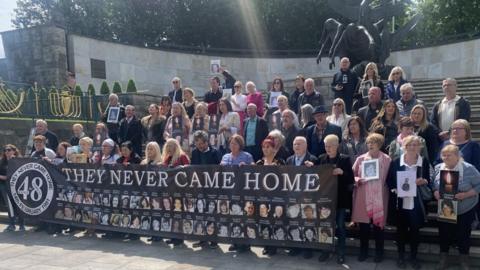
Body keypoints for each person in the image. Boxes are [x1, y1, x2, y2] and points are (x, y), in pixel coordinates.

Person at [386, 135, 431, 269]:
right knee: (400, 231)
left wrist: (423, 181)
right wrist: (395, 189)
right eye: (409, 145)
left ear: (419, 147)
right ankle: (401, 257)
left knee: (415, 232)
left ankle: (413, 257)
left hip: (417, 203)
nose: (412, 147)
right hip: (400, 202)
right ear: (404, 147)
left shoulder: (424, 162)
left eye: (415, 145)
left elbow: (428, 179)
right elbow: (389, 181)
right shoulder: (396, 161)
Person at [434, 145, 480, 270]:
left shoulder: (469, 169)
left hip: (465, 208)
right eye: (444, 155)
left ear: (458, 156)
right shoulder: (438, 168)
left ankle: (464, 260)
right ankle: (443, 259)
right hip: (446, 208)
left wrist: (466, 194)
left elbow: (479, 185)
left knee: (463, 235)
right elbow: (434, 184)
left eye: (450, 154)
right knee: (444, 234)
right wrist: (435, 192)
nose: (446, 157)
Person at [352, 133, 391, 263]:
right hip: (363, 197)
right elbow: (353, 176)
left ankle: (379, 253)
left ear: (379, 144)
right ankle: (364, 252)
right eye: (368, 142)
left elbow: (390, 178)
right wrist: (358, 180)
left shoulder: (387, 159)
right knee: (364, 228)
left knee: (378, 227)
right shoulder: (361, 159)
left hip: (380, 197)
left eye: (373, 142)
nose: (370, 145)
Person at [317, 135, 354, 264]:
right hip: (325, 200)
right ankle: (325, 251)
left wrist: (342, 172)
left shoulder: (345, 159)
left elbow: (351, 180)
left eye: (330, 146)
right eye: (326, 146)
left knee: (340, 227)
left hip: (340, 200)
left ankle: (341, 252)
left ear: (337, 145)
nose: (328, 148)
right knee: (325, 226)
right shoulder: (321, 159)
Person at [256, 138, 285, 256]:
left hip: (276, 197)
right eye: (264, 147)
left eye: (268, 147)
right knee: (264, 221)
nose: (265, 149)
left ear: (274, 149)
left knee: (275, 221)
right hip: (262, 197)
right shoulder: (259, 163)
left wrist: (277, 170)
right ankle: (266, 245)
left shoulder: (280, 162)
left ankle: (274, 246)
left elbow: (286, 177)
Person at [0, 144, 25, 231]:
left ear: (14, 151)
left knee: (19, 205)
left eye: (9, 150)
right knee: (9, 205)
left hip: (16, 186)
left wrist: (4, 177)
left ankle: (22, 224)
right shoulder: (2, 161)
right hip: (4, 186)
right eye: (5, 150)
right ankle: (12, 224)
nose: (7, 152)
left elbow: (16, 174)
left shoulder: (18, 161)